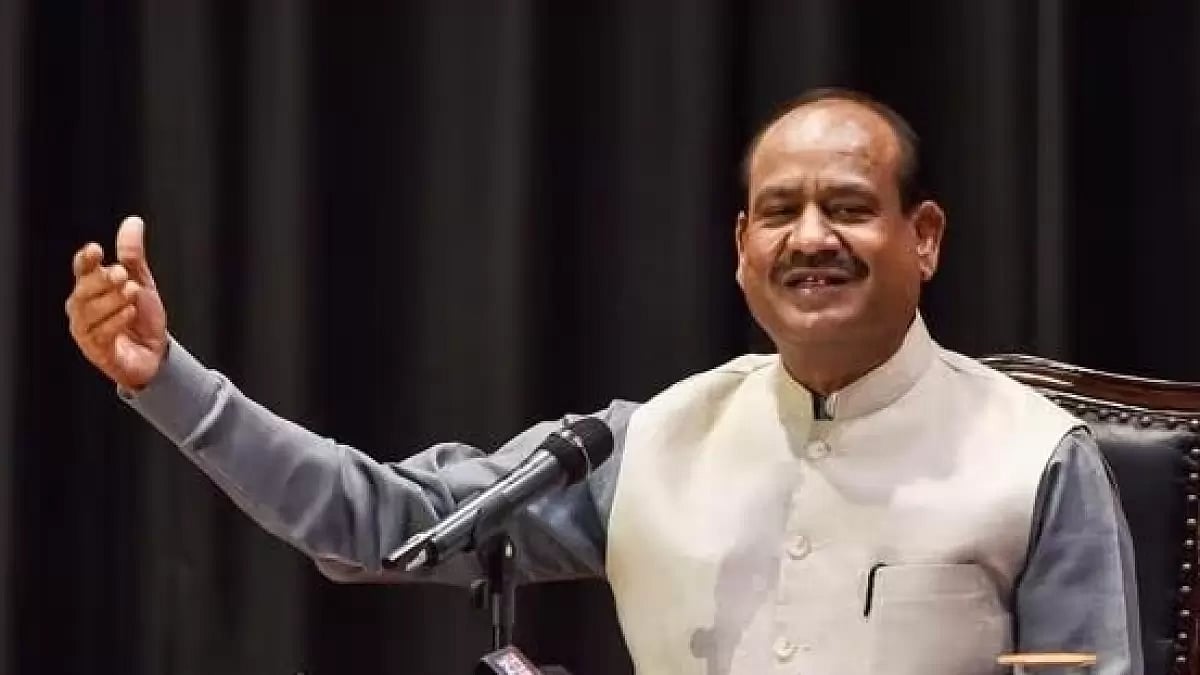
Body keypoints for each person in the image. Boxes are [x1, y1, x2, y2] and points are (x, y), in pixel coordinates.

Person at [64, 88, 1142, 675]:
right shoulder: (647, 444)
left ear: (925, 237)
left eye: (849, 207)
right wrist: (171, 383)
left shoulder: (1037, 457)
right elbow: (379, 524)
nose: (811, 237)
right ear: (742, 248)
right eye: (779, 212)